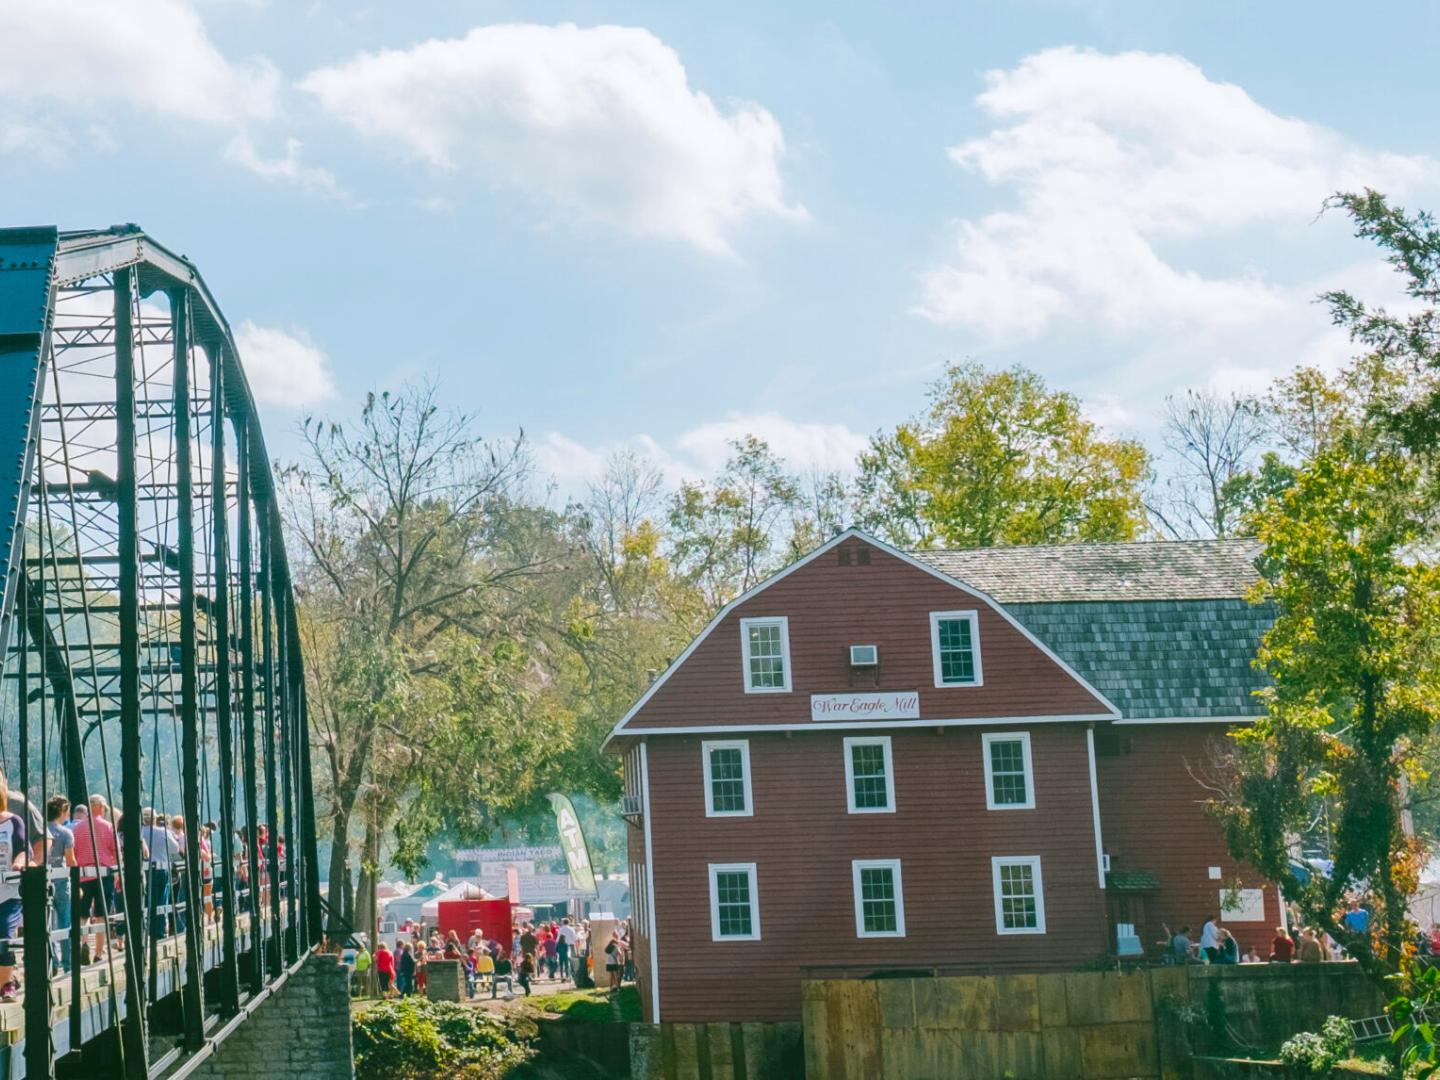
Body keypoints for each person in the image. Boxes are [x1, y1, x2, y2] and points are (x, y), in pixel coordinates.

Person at [72, 794, 119, 964]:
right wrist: (118, 873)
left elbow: (73, 852)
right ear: (100, 807)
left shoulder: (77, 828)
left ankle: (82, 944)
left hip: (84, 875)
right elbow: (115, 851)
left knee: (82, 915)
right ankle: (99, 953)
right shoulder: (108, 827)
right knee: (101, 915)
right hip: (103, 875)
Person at [0, 782, 30, 999]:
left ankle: (5, 983)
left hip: (8, 891)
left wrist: (19, 863)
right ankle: (8, 978)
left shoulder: (12, 821)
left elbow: (23, 850)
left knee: (4, 935)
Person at [46, 795, 76, 973]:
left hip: (45, 882)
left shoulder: (41, 830)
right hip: (62, 882)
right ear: (63, 811)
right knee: (65, 923)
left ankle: (53, 961)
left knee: (47, 924)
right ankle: (68, 964)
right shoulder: (65, 833)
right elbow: (71, 860)